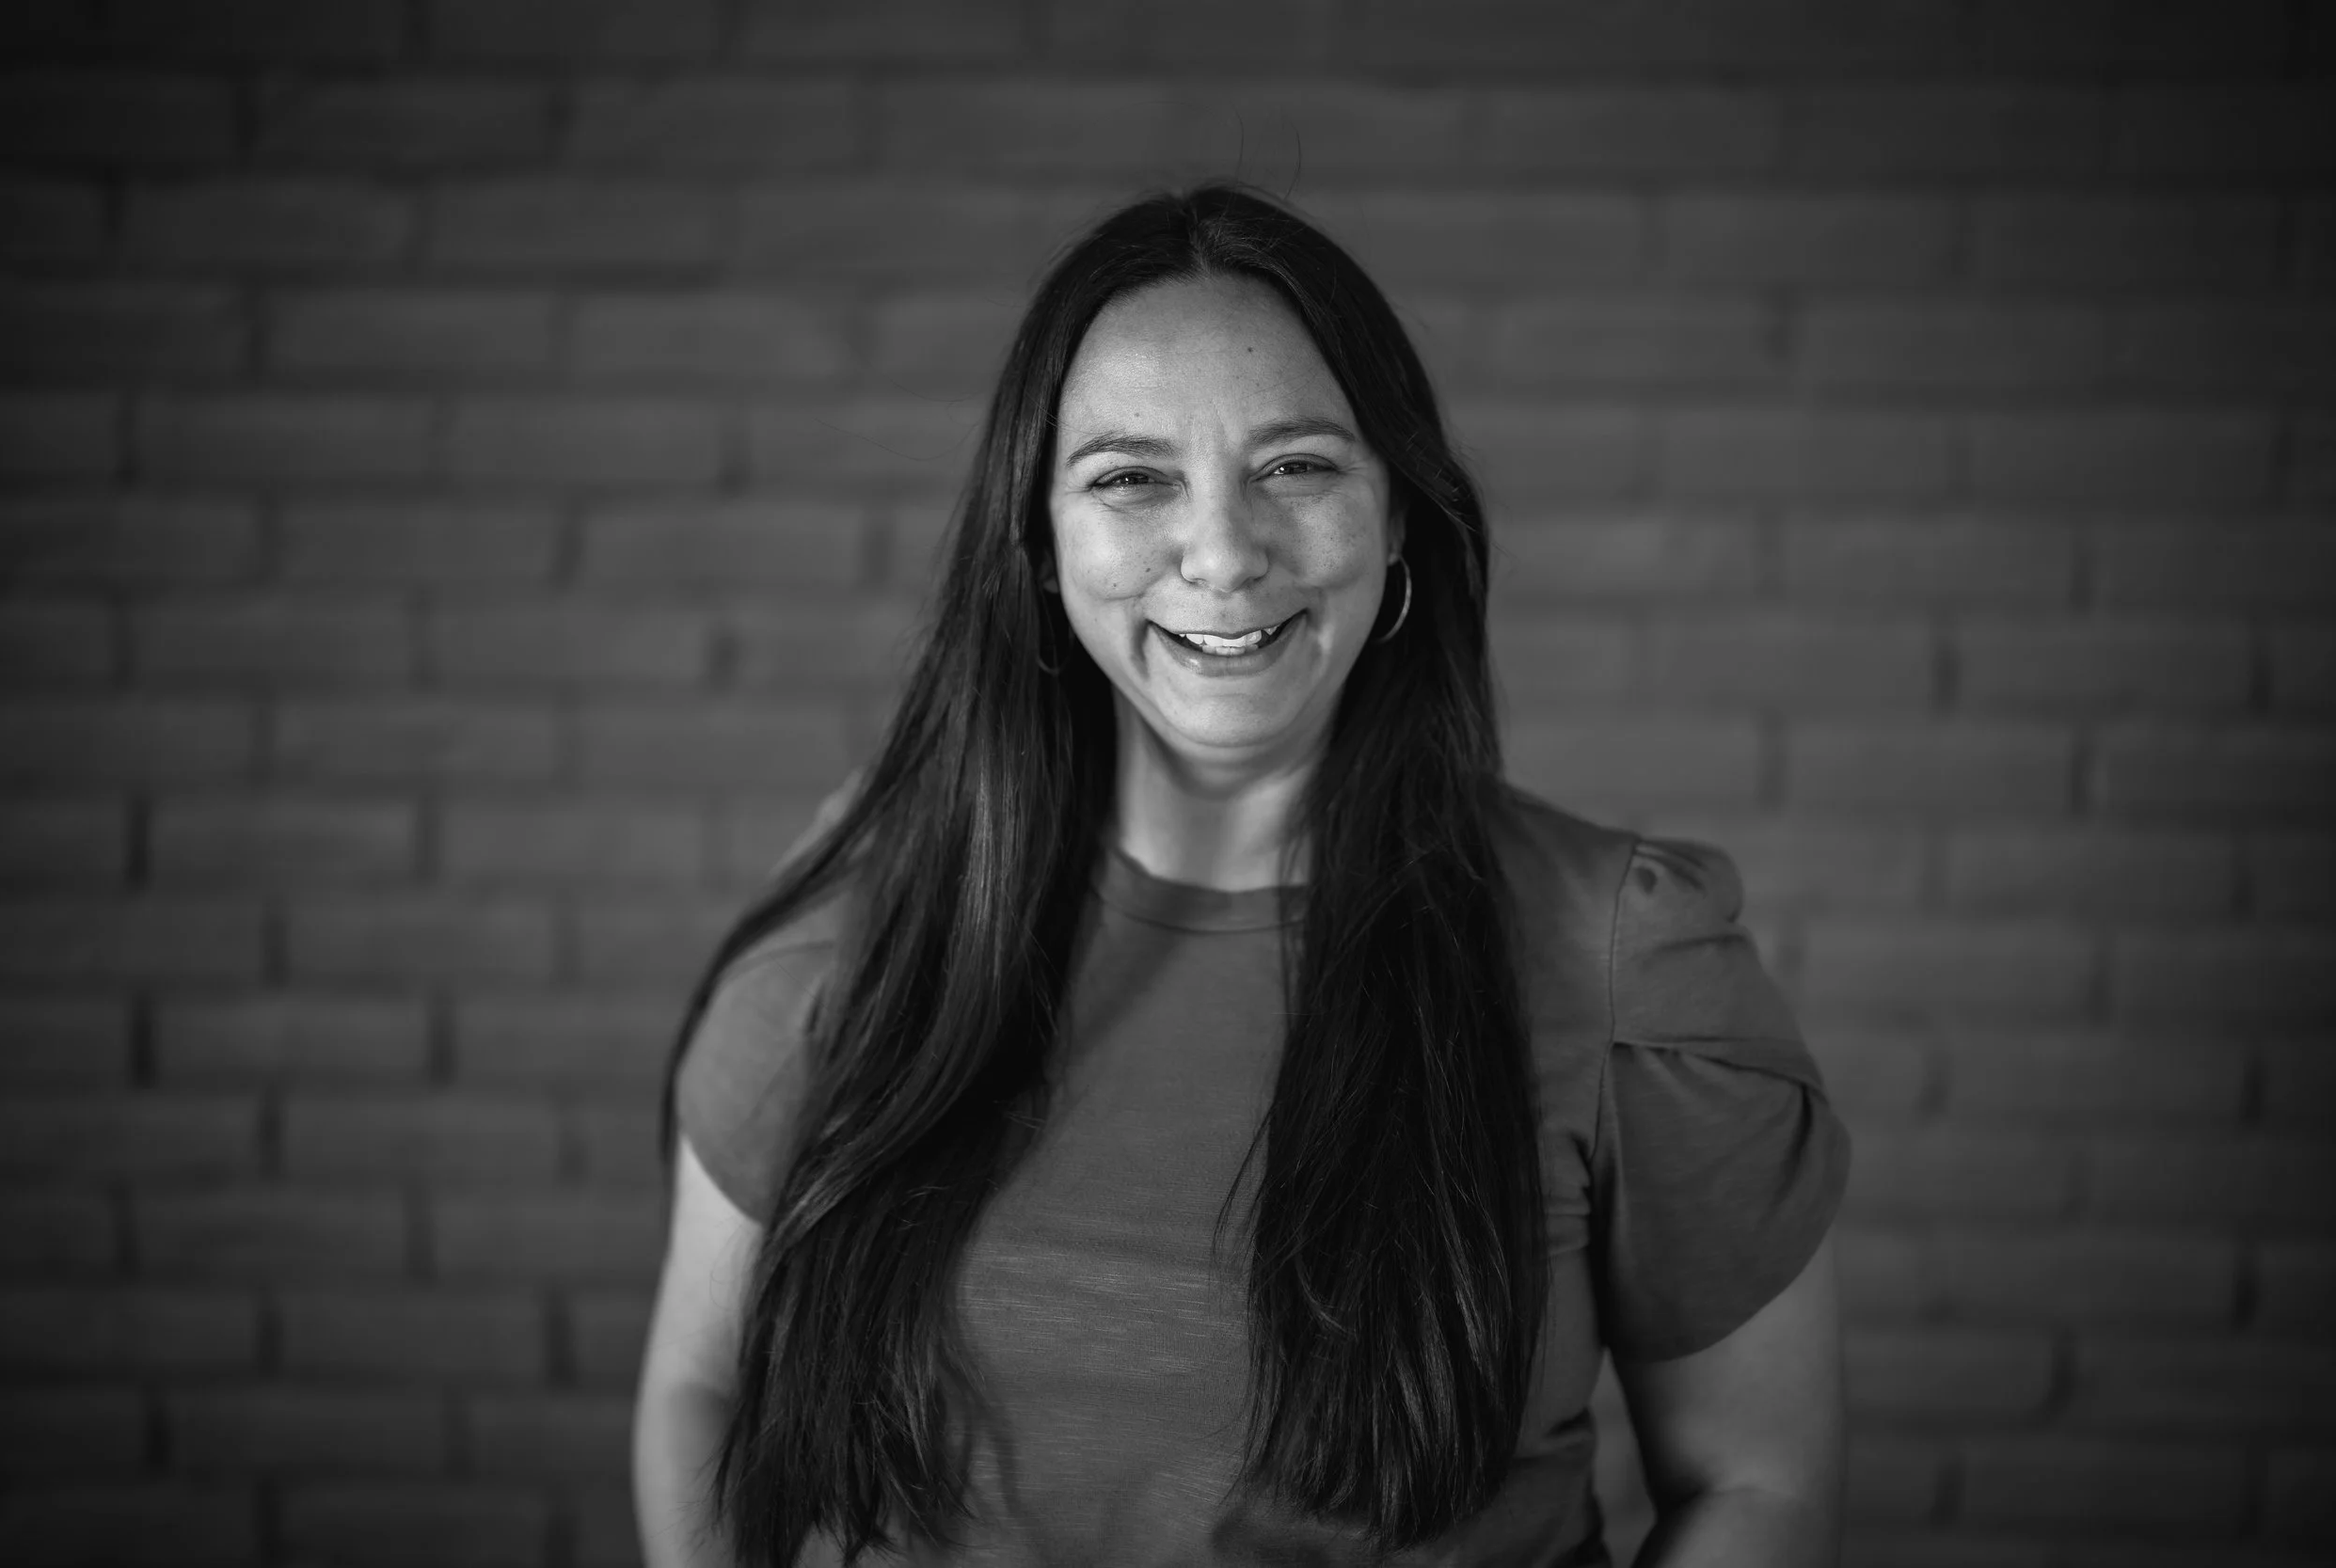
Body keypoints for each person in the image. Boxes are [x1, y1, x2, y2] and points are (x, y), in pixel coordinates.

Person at [632, 184, 1849, 1568]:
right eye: (1130, 477)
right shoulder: (871, 910)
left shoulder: (1623, 954)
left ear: (1399, 519)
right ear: (1037, 545)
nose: (1221, 550)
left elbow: (1758, 1480)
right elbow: (705, 1391)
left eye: (1296, 466)